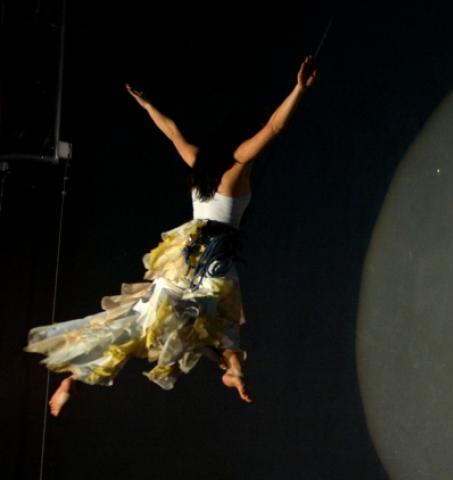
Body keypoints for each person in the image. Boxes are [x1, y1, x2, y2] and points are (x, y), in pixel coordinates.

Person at [25, 55, 318, 417]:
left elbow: (171, 131)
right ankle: (231, 368)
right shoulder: (239, 163)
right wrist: (298, 90)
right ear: (243, 136)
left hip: (185, 258)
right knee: (216, 322)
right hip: (215, 262)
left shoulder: (198, 163)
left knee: (150, 320)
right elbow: (274, 127)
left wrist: (148, 105)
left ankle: (76, 377)